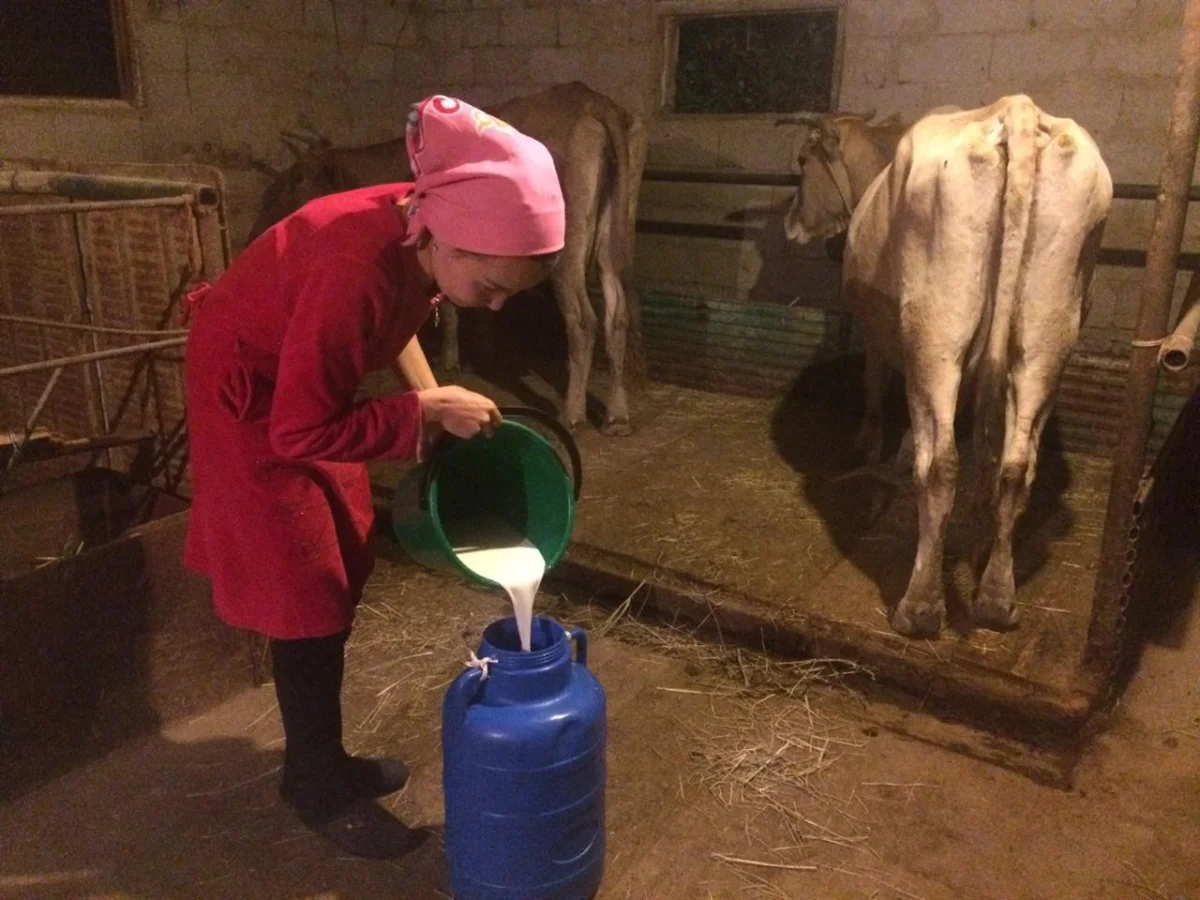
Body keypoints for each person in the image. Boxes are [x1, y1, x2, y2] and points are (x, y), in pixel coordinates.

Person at [181, 94, 566, 859]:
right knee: (307, 590)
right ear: (445, 238)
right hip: (250, 401)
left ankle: (324, 757)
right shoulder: (352, 266)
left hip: (300, 383)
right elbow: (298, 430)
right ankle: (317, 786)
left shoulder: (417, 224)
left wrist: (429, 411)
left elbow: (399, 319)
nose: (491, 308)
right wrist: (417, 412)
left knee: (345, 546)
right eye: (488, 287)